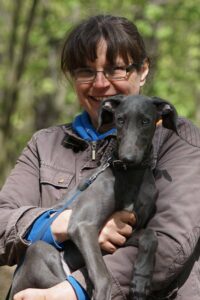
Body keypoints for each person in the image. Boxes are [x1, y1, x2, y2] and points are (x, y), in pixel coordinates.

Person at [1, 14, 200, 300]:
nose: (100, 83)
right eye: (85, 71)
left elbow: (172, 243)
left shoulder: (180, 141)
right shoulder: (45, 145)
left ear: (143, 71)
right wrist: (62, 224)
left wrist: (76, 289)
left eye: (116, 70)